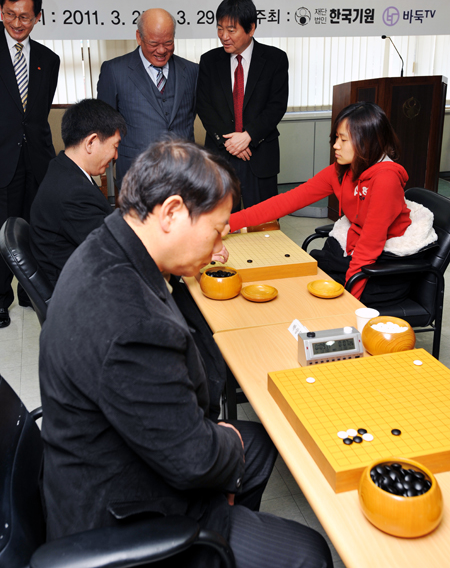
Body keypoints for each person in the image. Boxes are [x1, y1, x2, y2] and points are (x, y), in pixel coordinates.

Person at [39, 139, 333, 568]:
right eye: (217, 232)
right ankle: (208, 545)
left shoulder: (111, 244)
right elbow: (194, 460)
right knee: (309, 553)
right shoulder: (129, 323)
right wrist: (224, 441)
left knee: (263, 443)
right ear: (172, 212)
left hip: (114, 453)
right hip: (120, 510)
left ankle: (225, 541)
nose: (220, 251)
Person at [229, 102, 437, 304]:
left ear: (368, 141)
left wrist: (348, 303)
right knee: (307, 273)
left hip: (383, 270)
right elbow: (286, 201)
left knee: (312, 286)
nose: (335, 146)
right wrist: (229, 222)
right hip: (356, 256)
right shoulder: (342, 170)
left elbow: (370, 245)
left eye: (343, 140)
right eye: (336, 137)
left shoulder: (385, 179)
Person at [0, 0, 60, 328]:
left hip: (37, 159)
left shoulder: (49, 60)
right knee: (0, 230)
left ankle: (27, 291)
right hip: (2, 157)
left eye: (24, 16)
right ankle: (0, 298)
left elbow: (36, 115)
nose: (17, 23)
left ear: (37, 17)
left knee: (32, 229)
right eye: (10, 15)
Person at [196, 0, 289, 212]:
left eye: (231, 30)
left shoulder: (275, 59)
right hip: (221, 154)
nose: (224, 36)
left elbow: (276, 106)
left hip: (259, 152)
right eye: (220, 29)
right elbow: (204, 105)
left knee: (264, 223)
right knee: (222, 224)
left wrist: (248, 136)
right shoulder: (209, 61)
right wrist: (230, 141)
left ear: (251, 28)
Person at [29, 99, 127, 287]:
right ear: (91, 142)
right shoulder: (73, 192)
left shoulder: (62, 168)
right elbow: (115, 249)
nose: (116, 156)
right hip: (84, 291)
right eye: (115, 146)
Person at [97, 8, 198, 185]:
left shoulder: (191, 71)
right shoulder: (114, 71)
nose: (161, 50)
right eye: (154, 43)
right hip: (136, 172)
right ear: (139, 37)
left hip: (183, 172)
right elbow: (104, 124)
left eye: (168, 43)